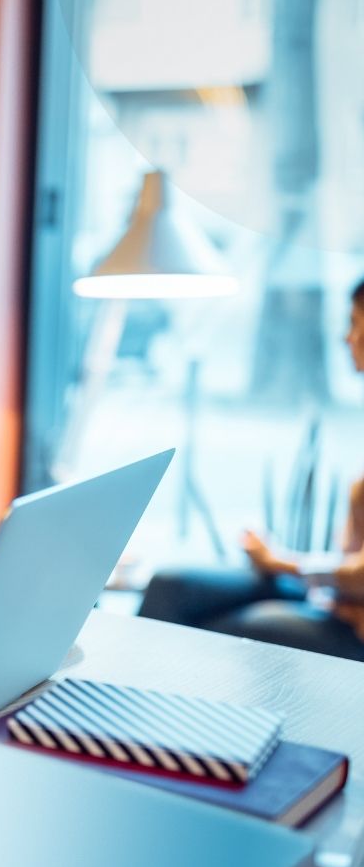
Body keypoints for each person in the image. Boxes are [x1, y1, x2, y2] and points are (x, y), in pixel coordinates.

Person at [138, 277, 364, 661]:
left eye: (356, 323)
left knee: (213, 639)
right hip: (332, 597)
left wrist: (282, 561)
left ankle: (131, 713)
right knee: (170, 586)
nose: (347, 339)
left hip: (354, 629)